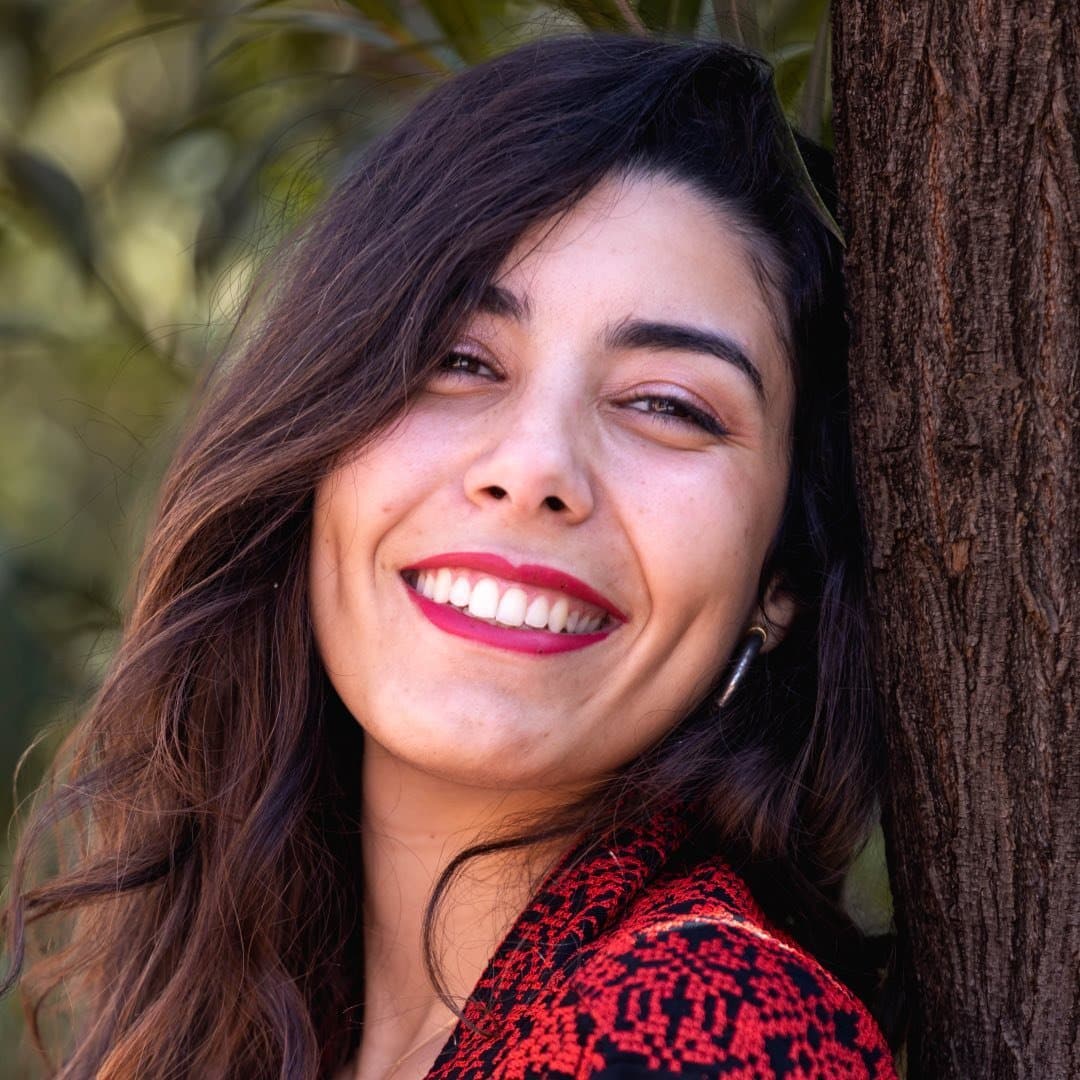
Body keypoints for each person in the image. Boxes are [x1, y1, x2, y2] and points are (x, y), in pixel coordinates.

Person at [1, 32, 898, 1079]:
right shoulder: (272, 1022)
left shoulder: (709, 1026)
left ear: (779, 579)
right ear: (314, 449)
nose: (534, 467)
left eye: (668, 404)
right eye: (457, 360)